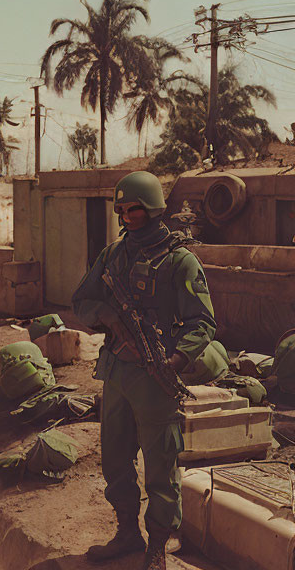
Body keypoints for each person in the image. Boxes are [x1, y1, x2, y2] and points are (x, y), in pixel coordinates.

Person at [71, 171, 216, 570]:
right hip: (117, 373)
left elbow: (202, 323)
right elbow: (81, 300)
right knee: (115, 461)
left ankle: (157, 546)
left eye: (133, 208)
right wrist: (107, 316)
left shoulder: (180, 261)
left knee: (160, 467)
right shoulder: (113, 254)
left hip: (155, 378)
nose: (126, 215)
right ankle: (126, 533)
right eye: (120, 209)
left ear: (152, 208)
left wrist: (174, 361)